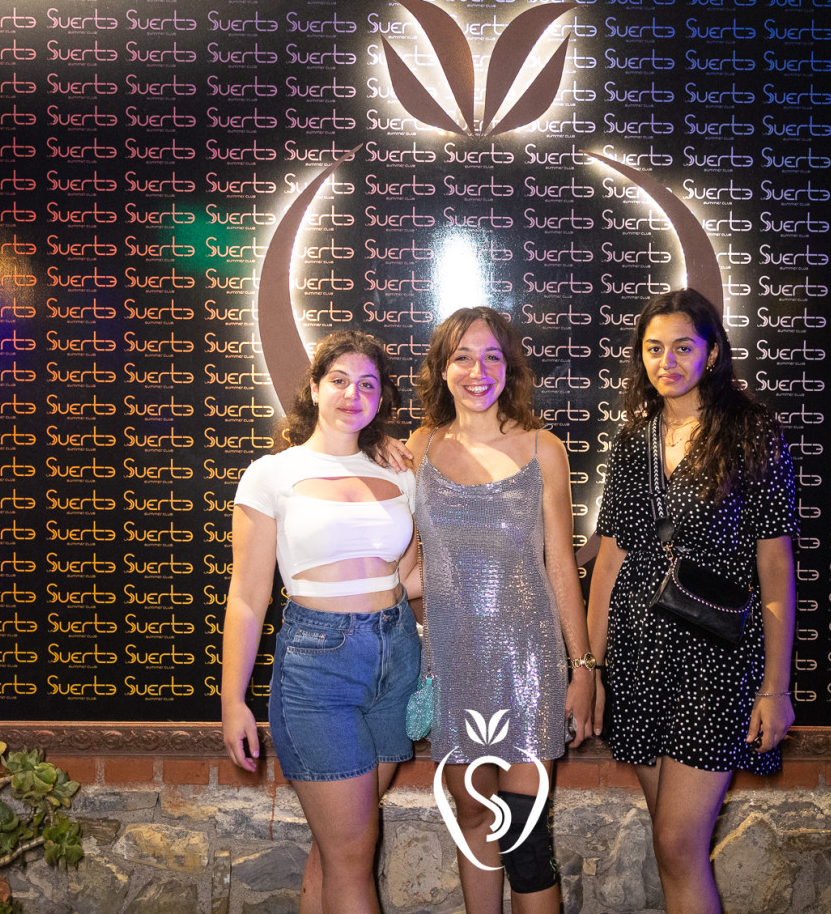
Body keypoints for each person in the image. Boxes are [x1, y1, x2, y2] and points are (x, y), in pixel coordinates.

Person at [585, 288, 799, 914]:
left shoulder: (751, 432)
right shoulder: (636, 437)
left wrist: (775, 689)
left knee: (679, 843)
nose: (667, 361)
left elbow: (775, 566)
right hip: (637, 657)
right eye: (654, 349)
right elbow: (611, 559)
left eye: (683, 347)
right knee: (668, 843)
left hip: (714, 662)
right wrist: (591, 669)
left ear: (712, 353)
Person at [404, 306, 595, 914]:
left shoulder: (544, 448)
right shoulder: (419, 447)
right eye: (461, 357)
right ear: (442, 369)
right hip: (452, 665)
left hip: (529, 666)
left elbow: (561, 566)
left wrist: (584, 669)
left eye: (491, 356)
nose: (477, 371)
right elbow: (406, 565)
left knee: (526, 834)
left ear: (509, 367)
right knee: (472, 816)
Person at [221, 330, 419, 914]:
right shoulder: (271, 474)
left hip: (395, 663)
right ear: (313, 388)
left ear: (381, 398)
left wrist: (497, 558)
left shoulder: (400, 473)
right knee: (354, 852)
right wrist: (233, 701)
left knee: (336, 848)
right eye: (339, 380)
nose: (352, 394)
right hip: (317, 669)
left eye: (368, 384)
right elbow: (248, 596)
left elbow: (408, 579)